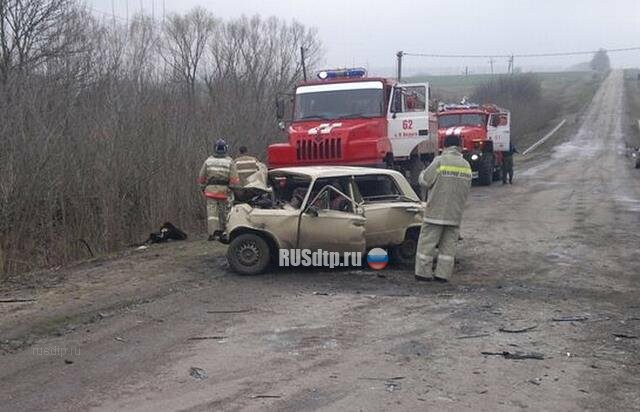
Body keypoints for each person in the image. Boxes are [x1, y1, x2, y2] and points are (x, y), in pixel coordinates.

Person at [415, 135, 472, 283]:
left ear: (445, 146)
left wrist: (421, 173)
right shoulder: (466, 165)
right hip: (455, 214)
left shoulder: (440, 161)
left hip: (435, 212)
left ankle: (423, 273)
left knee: (427, 245)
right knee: (448, 247)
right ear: (459, 146)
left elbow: (425, 181)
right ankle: (442, 275)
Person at [197, 139, 238, 241]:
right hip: (225, 192)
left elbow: (201, 177)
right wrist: (232, 189)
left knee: (212, 215)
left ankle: (213, 234)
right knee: (226, 213)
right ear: (225, 149)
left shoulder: (208, 161)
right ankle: (227, 232)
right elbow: (234, 179)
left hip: (210, 191)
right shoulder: (229, 161)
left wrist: (203, 187)